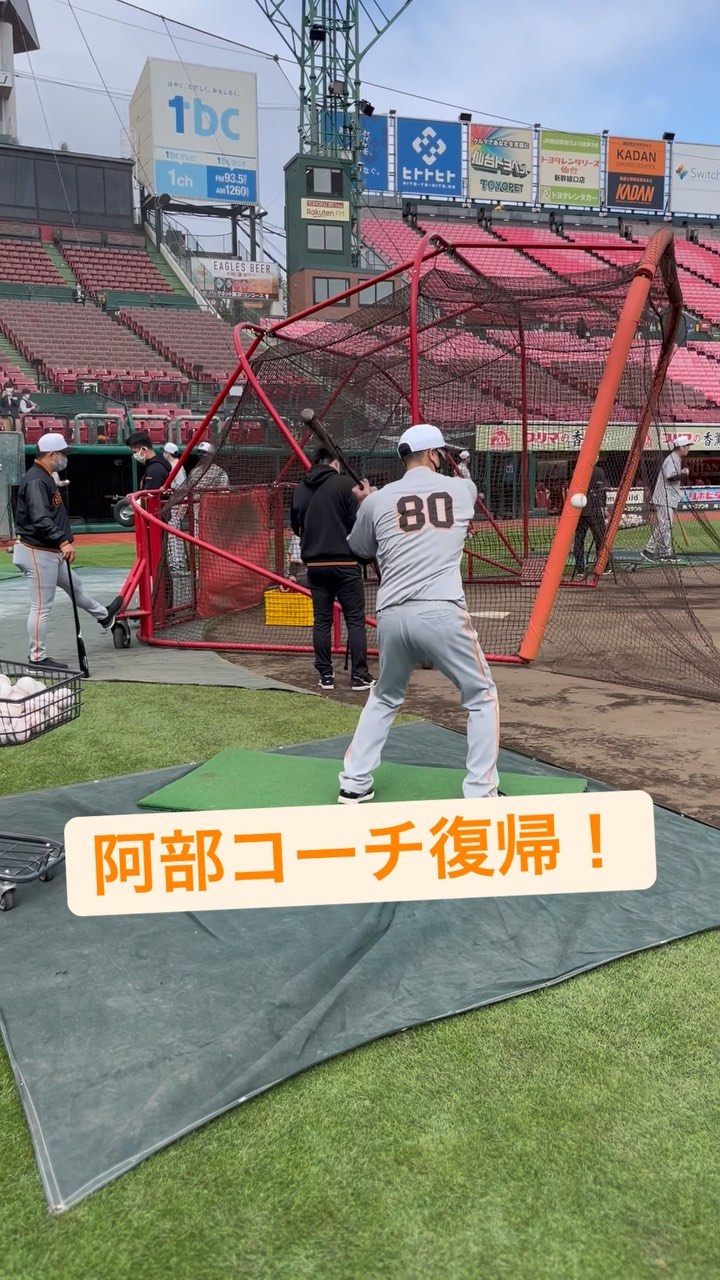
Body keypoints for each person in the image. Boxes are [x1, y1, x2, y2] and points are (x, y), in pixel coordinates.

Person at [337, 424, 500, 803]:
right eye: (440, 453)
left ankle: (354, 783)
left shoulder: (378, 501)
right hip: (442, 610)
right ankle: (481, 792)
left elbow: (361, 550)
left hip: (392, 615)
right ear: (432, 454)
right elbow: (442, 501)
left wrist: (368, 504)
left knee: (385, 696)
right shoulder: (463, 489)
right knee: (481, 696)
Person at [12, 432, 123, 668]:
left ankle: (105, 616)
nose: (65, 457)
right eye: (63, 453)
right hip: (37, 551)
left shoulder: (44, 476)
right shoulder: (36, 480)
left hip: (48, 551)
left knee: (76, 587)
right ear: (51, 455)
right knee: (41, 607)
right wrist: (62, 541)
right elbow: (40, 517)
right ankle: (37, 659)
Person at [290, 445, 373, 692]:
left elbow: (296, 526)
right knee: (355, 620)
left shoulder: (301, 488)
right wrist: (364, 501)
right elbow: (357, 524)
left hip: (315, 564)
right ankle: (359, 676)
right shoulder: (346, 485)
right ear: (335, 462)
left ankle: (325, 675)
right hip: (345, 562)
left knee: (322, 620)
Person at [642, 436, 691, 562]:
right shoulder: (672, 459)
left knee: (666, 525)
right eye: (687, 446)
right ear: (681, 447)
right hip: (664, 497)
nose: (688, 449)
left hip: (668, 497)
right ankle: (648, 549)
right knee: (664, 524)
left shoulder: (676, 458)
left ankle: (666, 553)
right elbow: (670, 477)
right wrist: (683, 473)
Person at [573, 463, 609, 576]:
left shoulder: (578, 470)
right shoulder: (598, 471)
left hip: (580, 509)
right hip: (594, 509)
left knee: (579, 539)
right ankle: (603, 567)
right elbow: (603, 492)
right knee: (600, 538)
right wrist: (604, 507)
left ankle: (580, 568)